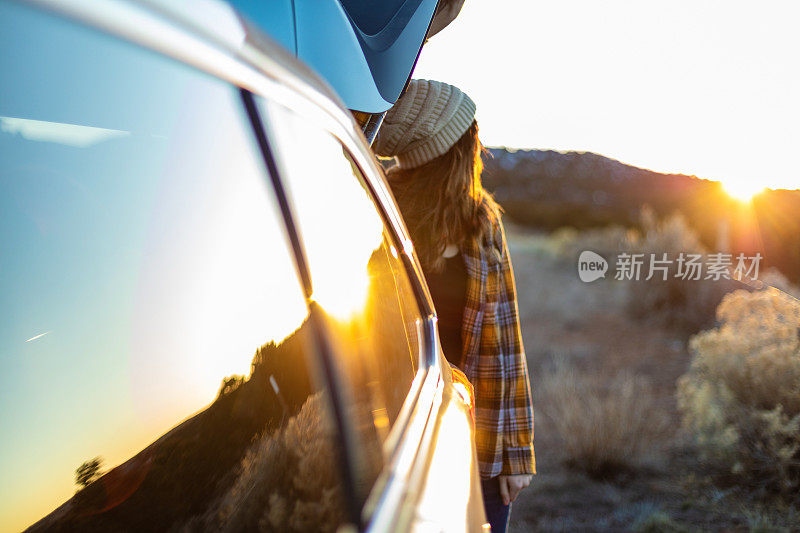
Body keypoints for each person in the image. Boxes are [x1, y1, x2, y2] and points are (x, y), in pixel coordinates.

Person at [373, 79, 535, 533]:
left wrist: (514, 455)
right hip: (393, 433)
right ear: (451, 152)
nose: (479, 149)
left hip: (468, 433)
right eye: (472, 138)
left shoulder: (481, 224)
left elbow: (505, 341)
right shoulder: (380, 219)